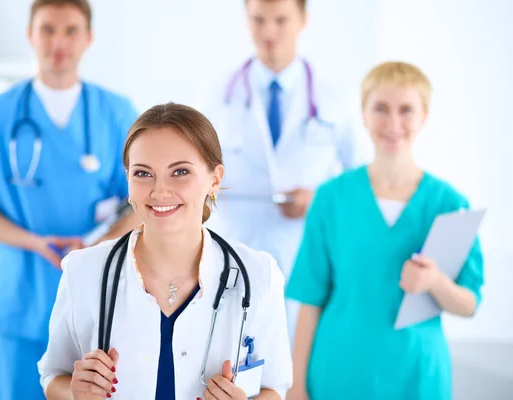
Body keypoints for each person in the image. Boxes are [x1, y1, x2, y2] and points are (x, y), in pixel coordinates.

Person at [37, 103, 293, 399]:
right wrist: (75, 391)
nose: (159, 191)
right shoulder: (84, 271)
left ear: (214, 179)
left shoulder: (258, 274)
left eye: (180, 172)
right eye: (143, 174)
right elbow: (52, 375)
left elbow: (274, 387)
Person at [0, 1, 140, 398]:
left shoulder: (117, 113)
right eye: (48, 29)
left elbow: (141, 204)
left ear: (88, 38)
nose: (59, 42)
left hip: (97, 293)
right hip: (21, 295)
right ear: (30, 35)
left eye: (71, 30)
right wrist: (34, 242)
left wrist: (93, 245)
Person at [285, 61, 484, 400]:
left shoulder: (449, 204)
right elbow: (310, 301)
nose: (393, 123)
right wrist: (296, 387)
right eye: (381, 108)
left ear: (424, 116)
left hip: (416, 376)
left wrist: (435, 282)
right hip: (338, 372)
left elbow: (469, 303)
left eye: (406, 110)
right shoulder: (331, 198)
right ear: (362, 114)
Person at [197, 0, 359, 338]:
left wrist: (319, 200)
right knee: (236, 360)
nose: (268, 32)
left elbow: (359, 182)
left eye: (281, 20)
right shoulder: (219, 97)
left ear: (303, 20)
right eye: (258, 20)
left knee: (302, 364)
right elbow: (200, 170)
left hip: (306, 248)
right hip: (237, 247)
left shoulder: (334, 99)